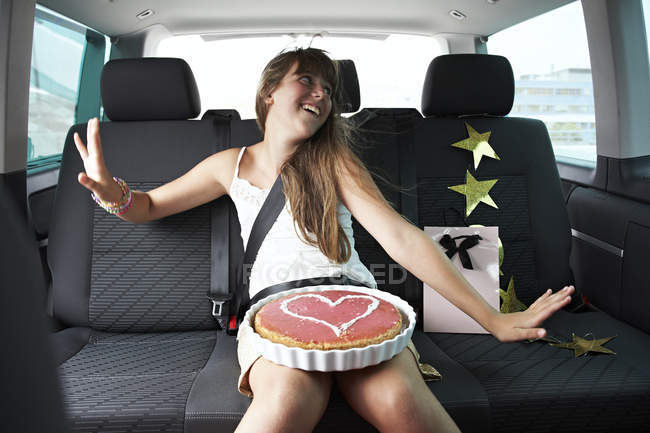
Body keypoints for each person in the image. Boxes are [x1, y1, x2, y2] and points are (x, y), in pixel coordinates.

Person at [74, 47, 575, 433]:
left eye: (328, 89)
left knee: (402, 403)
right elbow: (149, 206)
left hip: (359, 308)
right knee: (285, 401)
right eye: (306, 80)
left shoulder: (335, 161)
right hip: (277, 316)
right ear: (270, 91)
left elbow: (400, 237)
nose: (319, 94)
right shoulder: (231, 164)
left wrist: (493, 320)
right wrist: (108, 191)